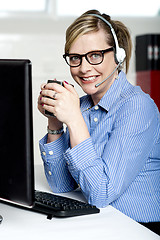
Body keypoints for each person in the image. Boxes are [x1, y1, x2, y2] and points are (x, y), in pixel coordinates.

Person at [38, 10, 160, 234]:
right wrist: (55, 123)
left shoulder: (137, 107)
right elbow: (61, 185)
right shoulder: (83, 105)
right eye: (75, 58)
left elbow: (101, 193)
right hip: (102, 222)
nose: (84, 68)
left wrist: (74, 120)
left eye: (95, 55)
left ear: (119, 56)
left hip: (140, 228)